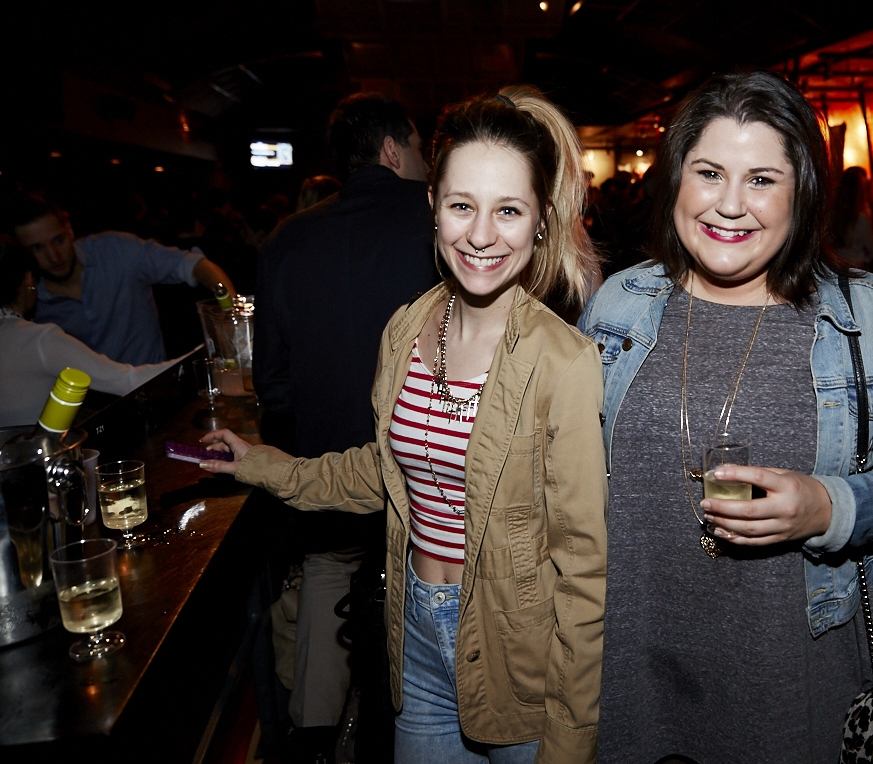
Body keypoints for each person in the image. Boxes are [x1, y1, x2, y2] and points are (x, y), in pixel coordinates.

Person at [199, 86, 608, 764]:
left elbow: (583, 566)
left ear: (539, 220)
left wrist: (570, 740)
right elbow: (384, 471)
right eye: (461, 206)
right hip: (414, 630)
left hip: (519, 652)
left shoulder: (564, 361)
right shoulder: (407, 328)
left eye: (508, 210)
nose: (481, 235)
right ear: (432, 207)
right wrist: (261, 463)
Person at [577, 71, 873, 764]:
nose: (730, 205)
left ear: (802, 191)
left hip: (794, 679)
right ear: (676, 181)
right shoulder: (618, 306)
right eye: (709, 173)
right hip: (630, 669)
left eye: (761, 179)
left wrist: (830, 506)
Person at [252, 92, 437, 754]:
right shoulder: (443, 226)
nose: (423, 161)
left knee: (328, 578)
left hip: (327, 472)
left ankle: (313, 736)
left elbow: (270, 385)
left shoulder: (286, 240)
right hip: (427, 481)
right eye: (419, 147)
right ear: (394, 150)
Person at [11, 193, 237, 366]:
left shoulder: (116, 250)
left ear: (68, 229)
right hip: (85, 412)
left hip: (153, 392)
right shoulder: (25, 300)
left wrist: (232, 313)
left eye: (58, 240)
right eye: (37, 248)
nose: (53, 256)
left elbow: (196, 265)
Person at [0, 236, 183, 426]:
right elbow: (128, 381)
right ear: (28, 279)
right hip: (37, 454)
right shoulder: (38, 340)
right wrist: (200, 358)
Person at [831, 166, 873, 268]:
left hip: (836, 268)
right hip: (855, 269)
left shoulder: (830, 216)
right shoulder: (860, 219)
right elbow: (872, 250)